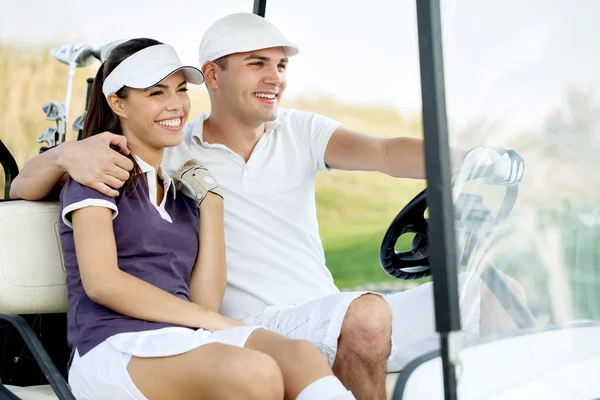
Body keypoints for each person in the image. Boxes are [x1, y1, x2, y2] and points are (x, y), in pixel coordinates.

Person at [11, 14, 525, 400]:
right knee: (364, 316)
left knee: (500, 295)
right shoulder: (149, 153)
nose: (274, 76)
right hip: (211, 328)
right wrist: (68, 151)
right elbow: (35, 197)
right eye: (257, 63)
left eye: (280, 65)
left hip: (297, 312)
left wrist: (475, 160)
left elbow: (384, 151)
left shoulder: (210, 172)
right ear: (212, 76)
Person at [55, 37, 356, 400]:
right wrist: (212, 323)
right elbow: (103, 283)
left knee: (299, 354)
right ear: (118, 103)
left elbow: (204, 301)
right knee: (253, 371)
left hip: (183, 336)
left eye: (180, 90)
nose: (175, 105)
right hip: (112, 345)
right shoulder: (96, 175)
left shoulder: (182, 195)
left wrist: (212, 204)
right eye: (155, 93)